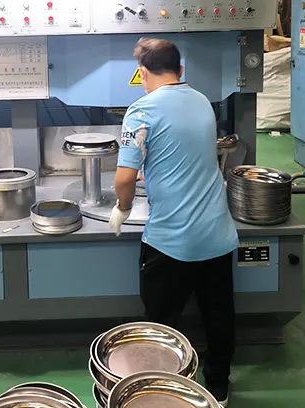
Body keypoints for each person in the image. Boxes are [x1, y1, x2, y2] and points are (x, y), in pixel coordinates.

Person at [110, 37, 238, 407]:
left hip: (170, 243)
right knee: (219, 317)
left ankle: (162, 391)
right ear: (181, 70)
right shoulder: (202, 102)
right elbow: (185, 154)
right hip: (217, 235)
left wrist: (122, 207)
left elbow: (123, 178)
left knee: (160, 326)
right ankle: (218, 388)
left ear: (142, 72)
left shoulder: (141, 111)